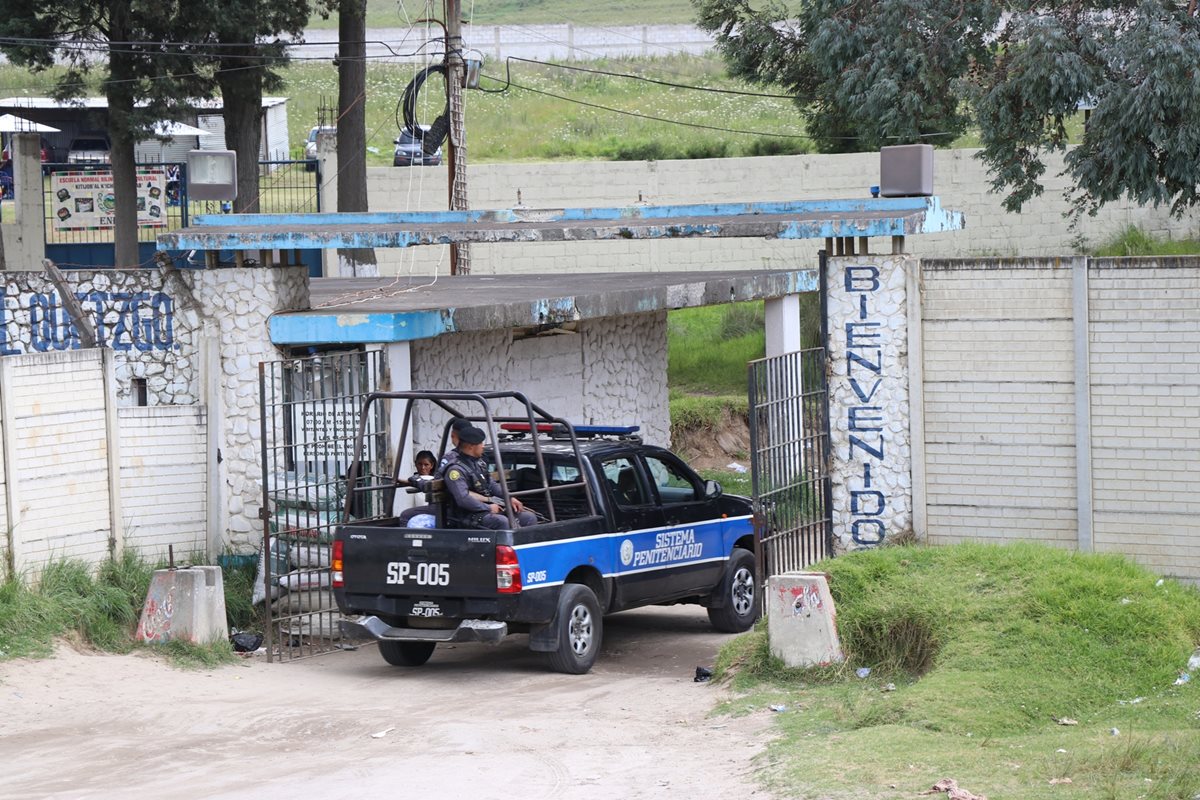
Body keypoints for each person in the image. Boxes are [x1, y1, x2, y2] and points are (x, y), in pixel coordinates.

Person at [437, 425, 536, 529]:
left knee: (529, 517)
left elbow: (492, 484)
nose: (483, 446)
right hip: (468, 515)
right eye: (480, 443)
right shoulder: (455, 470)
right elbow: (463, 499)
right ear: (470, 446)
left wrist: (509, 498)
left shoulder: (478, 463)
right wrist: (488, 508)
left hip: (486, 510)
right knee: (502, 522)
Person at [397, 450, 439, 527]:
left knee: (405, 516)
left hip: (435, 508)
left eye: (426, 465)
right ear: (415, 464)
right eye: (420, 464)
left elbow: (425, 484)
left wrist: (414, 480)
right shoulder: (416, 478)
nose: (423, 468)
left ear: (432, 465)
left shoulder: (432, 478)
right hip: (428, 508)